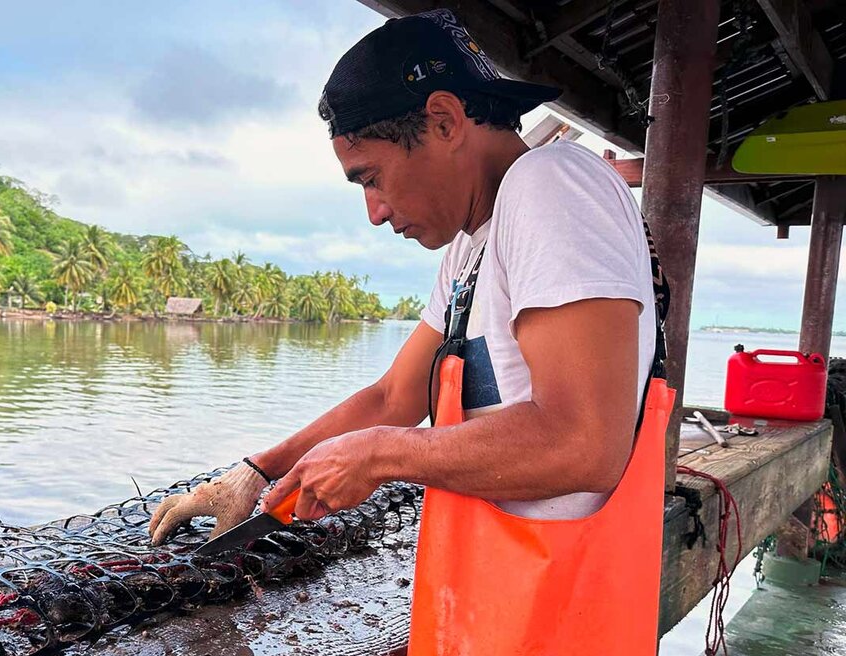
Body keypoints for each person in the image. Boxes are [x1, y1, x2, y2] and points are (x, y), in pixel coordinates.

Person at [148, 9, 657, 544]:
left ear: (444, 120)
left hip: (564, 602)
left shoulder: (552, 183)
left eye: (371, 177)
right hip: (500, 588)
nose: (374, 212)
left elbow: (584, 442)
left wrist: (379, 454)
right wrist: (257, 472)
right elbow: (393, 397)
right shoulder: (471, 246)